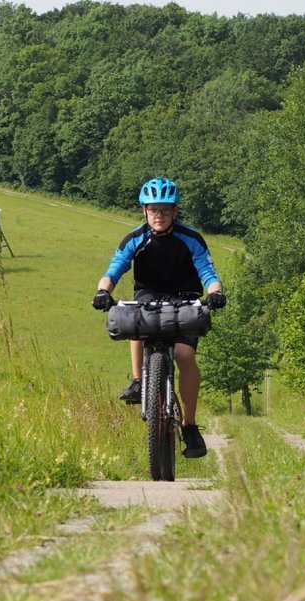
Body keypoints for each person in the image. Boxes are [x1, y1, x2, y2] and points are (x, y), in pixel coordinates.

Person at [92, 177, 226, 458]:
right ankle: (139, 380)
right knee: (135, 320)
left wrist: (215, 293)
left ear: (175, 211)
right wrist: (103, 291)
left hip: (186, 297)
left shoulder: (191, 239)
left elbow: (208, 273)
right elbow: (114, 268)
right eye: (154, 209)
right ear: (144, 210)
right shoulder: (134, 239)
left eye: (165, 209)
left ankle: (189, 425)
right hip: (149, 295)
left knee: (184, 356)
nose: (159, 215)